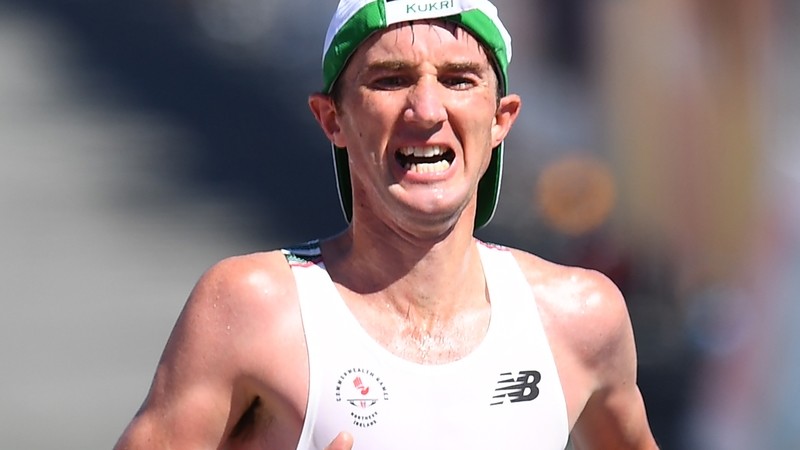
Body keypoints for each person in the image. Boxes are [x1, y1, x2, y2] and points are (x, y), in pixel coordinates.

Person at [114, 0, 659, 448]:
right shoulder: (252, 309)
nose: (426, 110)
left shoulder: (579, 318)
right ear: (332, 119)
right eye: (392, 80)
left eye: (458, 80)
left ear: (501, 119)